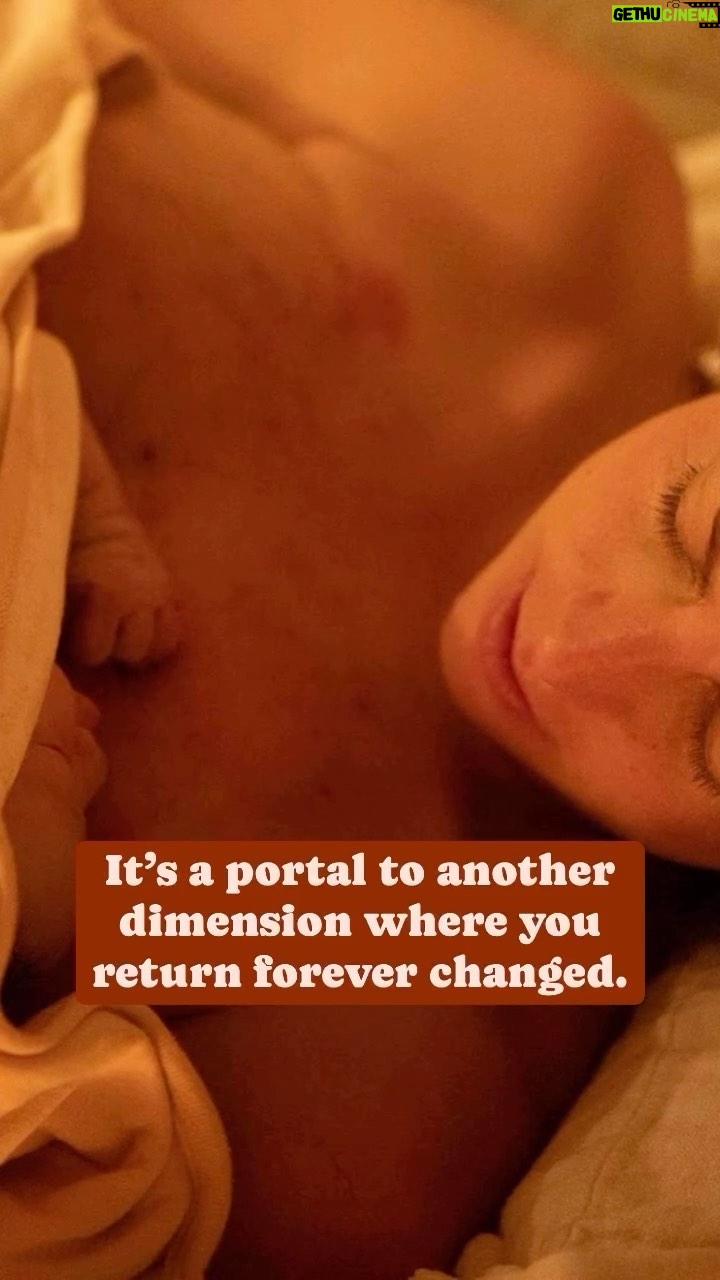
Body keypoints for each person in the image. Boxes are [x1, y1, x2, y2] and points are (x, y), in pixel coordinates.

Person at [25, 0, 707, 1278]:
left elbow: (33, 932)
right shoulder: (550, 199)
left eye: (719, 743)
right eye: (704, 528)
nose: (574, 653)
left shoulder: (448, 985)